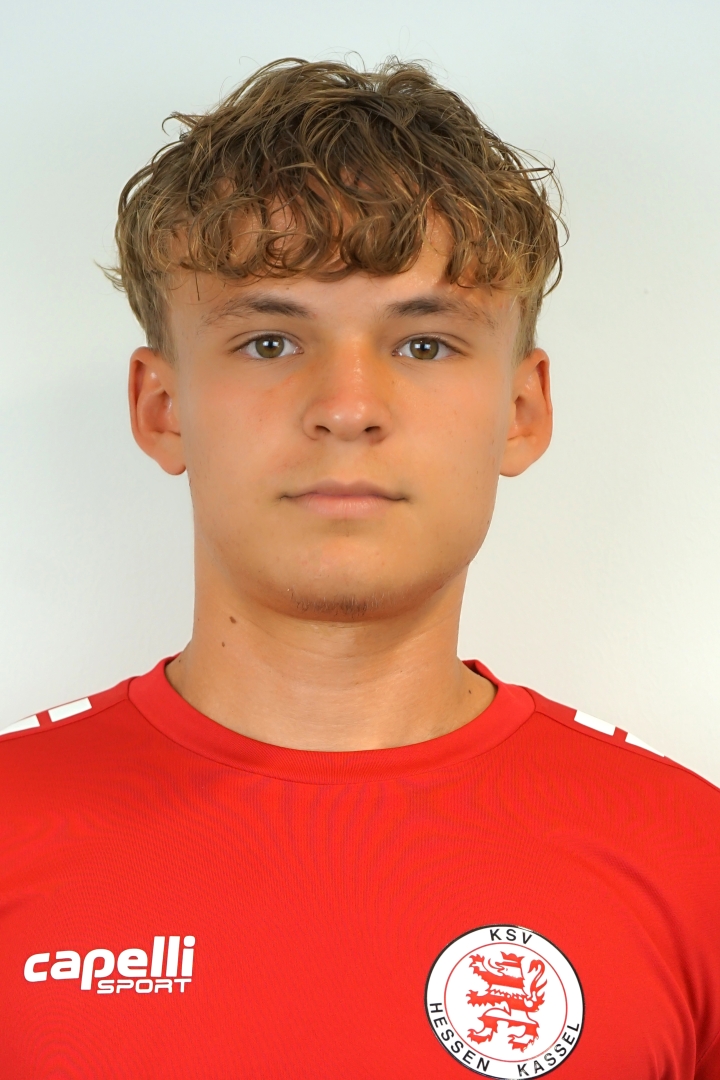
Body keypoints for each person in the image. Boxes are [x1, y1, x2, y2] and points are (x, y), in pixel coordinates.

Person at [1, 57, 718, 1080]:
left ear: (522, 411)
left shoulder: (692, 863)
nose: (347, 406)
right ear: (162, 409)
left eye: (425, 345)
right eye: (268, 342)